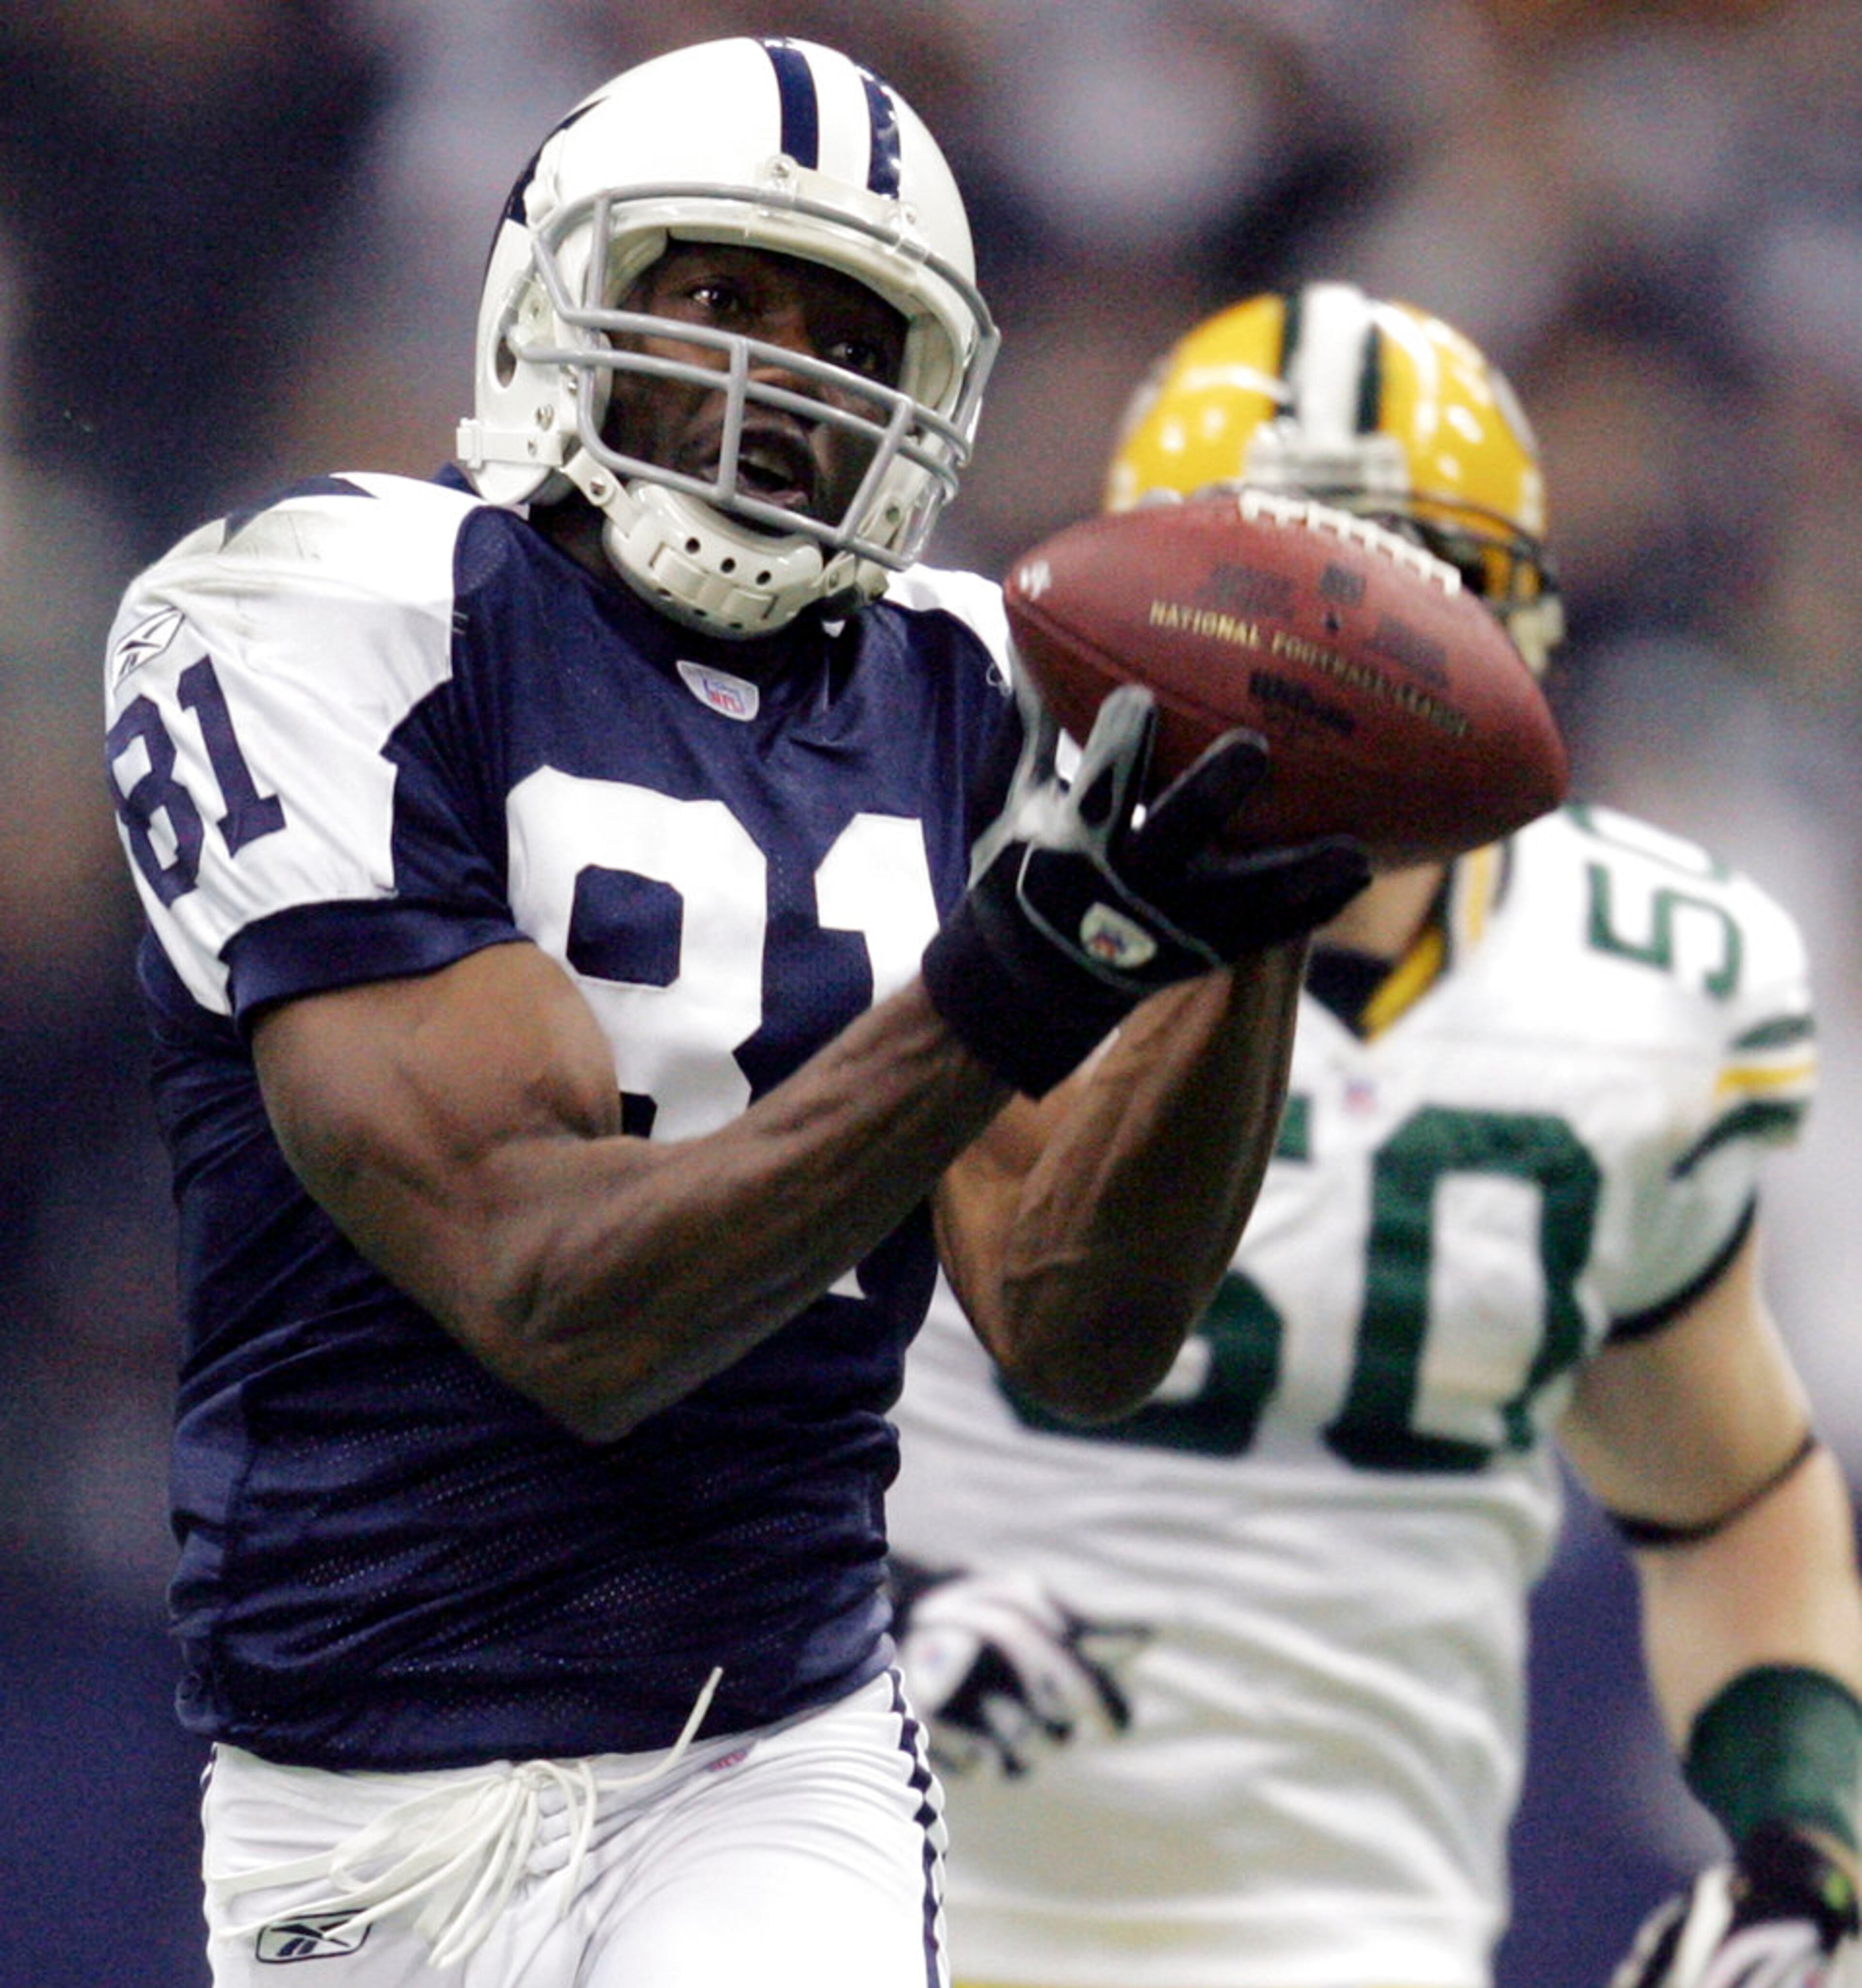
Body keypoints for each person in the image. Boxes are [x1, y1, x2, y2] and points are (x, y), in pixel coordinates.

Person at [99, 42, 1368, 1988]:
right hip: (367, 1767)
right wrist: (1010, 985)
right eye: (720, 299)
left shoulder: (969, 681)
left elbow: (1072, 1314)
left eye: (853, 334)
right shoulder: (331, 613)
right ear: (559, 305)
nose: (783, 377)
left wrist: (1246, 948)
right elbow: (554, 1298)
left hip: (768, 1733)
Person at [885, 281, 1862, 1988]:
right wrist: (880, 1616)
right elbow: (671, 1398)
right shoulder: (920, 883)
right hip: (881, 1898)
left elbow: (1729, 1506)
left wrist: (1802, 1847)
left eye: (1401, 602)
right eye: (1248, 600)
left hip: (1348, 1936)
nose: (1318, 670)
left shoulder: (1637, 978)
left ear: (1525, 635)